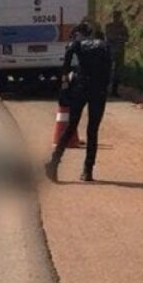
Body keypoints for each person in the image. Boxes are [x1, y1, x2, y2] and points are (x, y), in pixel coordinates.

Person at [44, 22, 112, 183]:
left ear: (79, 34)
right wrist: (105, 87)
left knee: (70, 127)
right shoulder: (104, 45)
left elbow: (65, 70)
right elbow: (110, 69)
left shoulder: (76, 45)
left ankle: (54, 163)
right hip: (99, 90)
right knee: (92, 131)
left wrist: (65, 88)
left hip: (81, 87)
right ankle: (87, 171)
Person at [104, 9, 129, 97]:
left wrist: (118, 38)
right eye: (115, 16)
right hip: (111, 51)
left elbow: (126, 38)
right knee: (108, 70)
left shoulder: (123, 27)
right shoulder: (109, 26)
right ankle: (105, 89)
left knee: (118, 72)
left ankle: (114, 90)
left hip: (120, 52)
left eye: (118, 16)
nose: (117, 18)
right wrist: (119, 38)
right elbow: (109, 37)